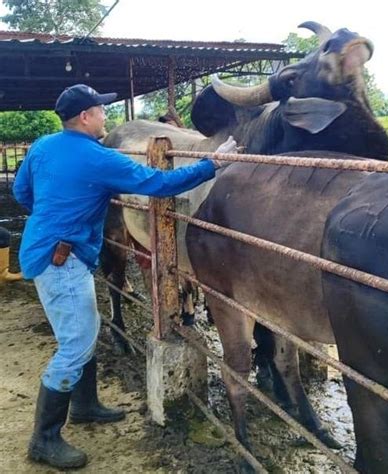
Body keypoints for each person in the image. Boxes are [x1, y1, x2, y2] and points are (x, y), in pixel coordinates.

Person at [13, 84, 237, 469]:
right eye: (100, 110)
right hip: (60, 261)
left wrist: (55, 212)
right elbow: (159, 184)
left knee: (85, 330)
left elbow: (22, 193)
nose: (105, 115)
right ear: (85, 117)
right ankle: (44, 439)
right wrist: (212, 163)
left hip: (52, 250)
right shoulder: (99, 158)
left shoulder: (42, 146)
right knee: (75, 345)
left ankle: (84, 406)